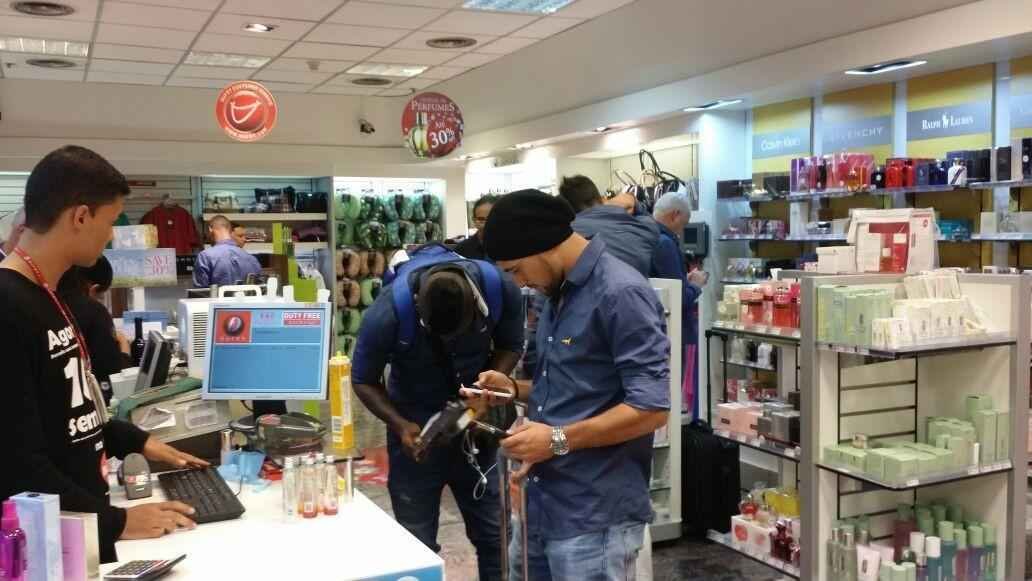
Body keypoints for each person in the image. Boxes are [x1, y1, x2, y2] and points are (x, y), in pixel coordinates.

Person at [0, 145, 209, 565]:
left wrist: (136, 440)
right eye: (111, 221)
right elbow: (16, 464)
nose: (112, 234)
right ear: (80, 217)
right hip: (53, 545)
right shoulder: (7, 307)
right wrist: (118, 521)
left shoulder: (50, 296)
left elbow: (68, 415)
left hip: (83, 527)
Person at [470, 189, 671, 581]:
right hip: (542, 502)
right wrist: (512, 389)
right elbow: (568, 385)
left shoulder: (620, 293)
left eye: (516, 269)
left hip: (594, 517)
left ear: (542, 247)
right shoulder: (556, 294)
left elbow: (651, 410)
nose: (520, 282)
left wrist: (557, 440)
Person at [351, 244, 525, 581]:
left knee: (495, 535)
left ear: (477, 306)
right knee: (415, 543)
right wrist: (400, 425)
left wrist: (485, 393)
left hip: (477, 421)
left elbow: (510, 345)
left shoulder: (500, 288)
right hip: (415, 429)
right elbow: (363, 379)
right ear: (419, 308)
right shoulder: (387, 312)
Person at [650, 192, 709, 418]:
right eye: (683, 225)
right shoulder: (665, 243)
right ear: (675, 215)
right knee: (671, 391)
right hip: (671, 332)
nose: (682, 231)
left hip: (656, 329)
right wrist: (695, 285)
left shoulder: (647, 236)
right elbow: (678, 297)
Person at [58, 255, 133, 405]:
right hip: (91, 403)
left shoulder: (49, 302)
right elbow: (113, 374)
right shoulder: (95, 312)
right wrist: (124, 347)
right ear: (94, 289)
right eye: (100, 296)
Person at [558, 175, 659, 277]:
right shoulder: (643, 227)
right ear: (602, 199)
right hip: (638, 291)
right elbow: (651, 221)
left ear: (565, 208)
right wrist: (634, 202)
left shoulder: (564, 236)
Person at [193, 214, 262, 287]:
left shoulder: (205, 257)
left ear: (210, 229)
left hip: (217, 298)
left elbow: (201, 292)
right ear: (230, 231)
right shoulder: (252, 259)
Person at [454, 194, 498, 261]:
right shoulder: (461, 250)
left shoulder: (512, 247)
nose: (486, 224)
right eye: (481, 219)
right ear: (474, 220)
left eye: (491, 218)